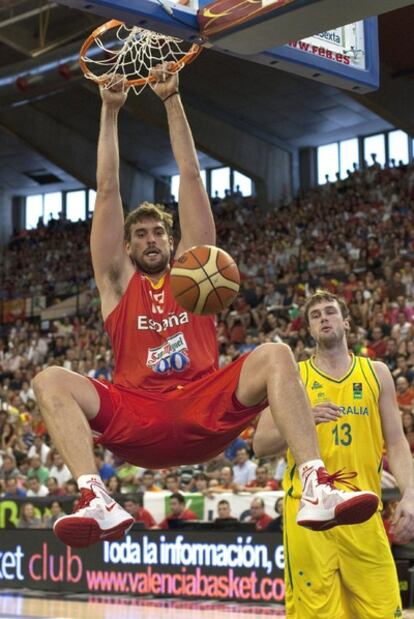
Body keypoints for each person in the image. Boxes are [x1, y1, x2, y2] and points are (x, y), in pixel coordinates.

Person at [32, 66, 377, 549]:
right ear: (127, 249)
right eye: (140, 235)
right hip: (139, 411)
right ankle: (95, 497)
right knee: (48, 378)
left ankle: (316, 485)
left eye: (159, 233)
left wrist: (172, 99)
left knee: (276, 353)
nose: (150, 240)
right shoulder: (115, 284)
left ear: (172, 242)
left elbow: (191, 176)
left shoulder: (197, 272)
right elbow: (107, 190)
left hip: (203, 401)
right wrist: (109, 111)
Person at [254, 290, 414, 619]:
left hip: (363, 509)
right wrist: (302, 417)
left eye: (330, 312)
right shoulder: (292, 376)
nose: (324, 318)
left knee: (384, 612)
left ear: (346, 321)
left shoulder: (377, 373)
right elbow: (260, 444)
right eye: (316, 315)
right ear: (309, 330)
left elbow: (397, 443)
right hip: (309, 517)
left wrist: (410, 495)